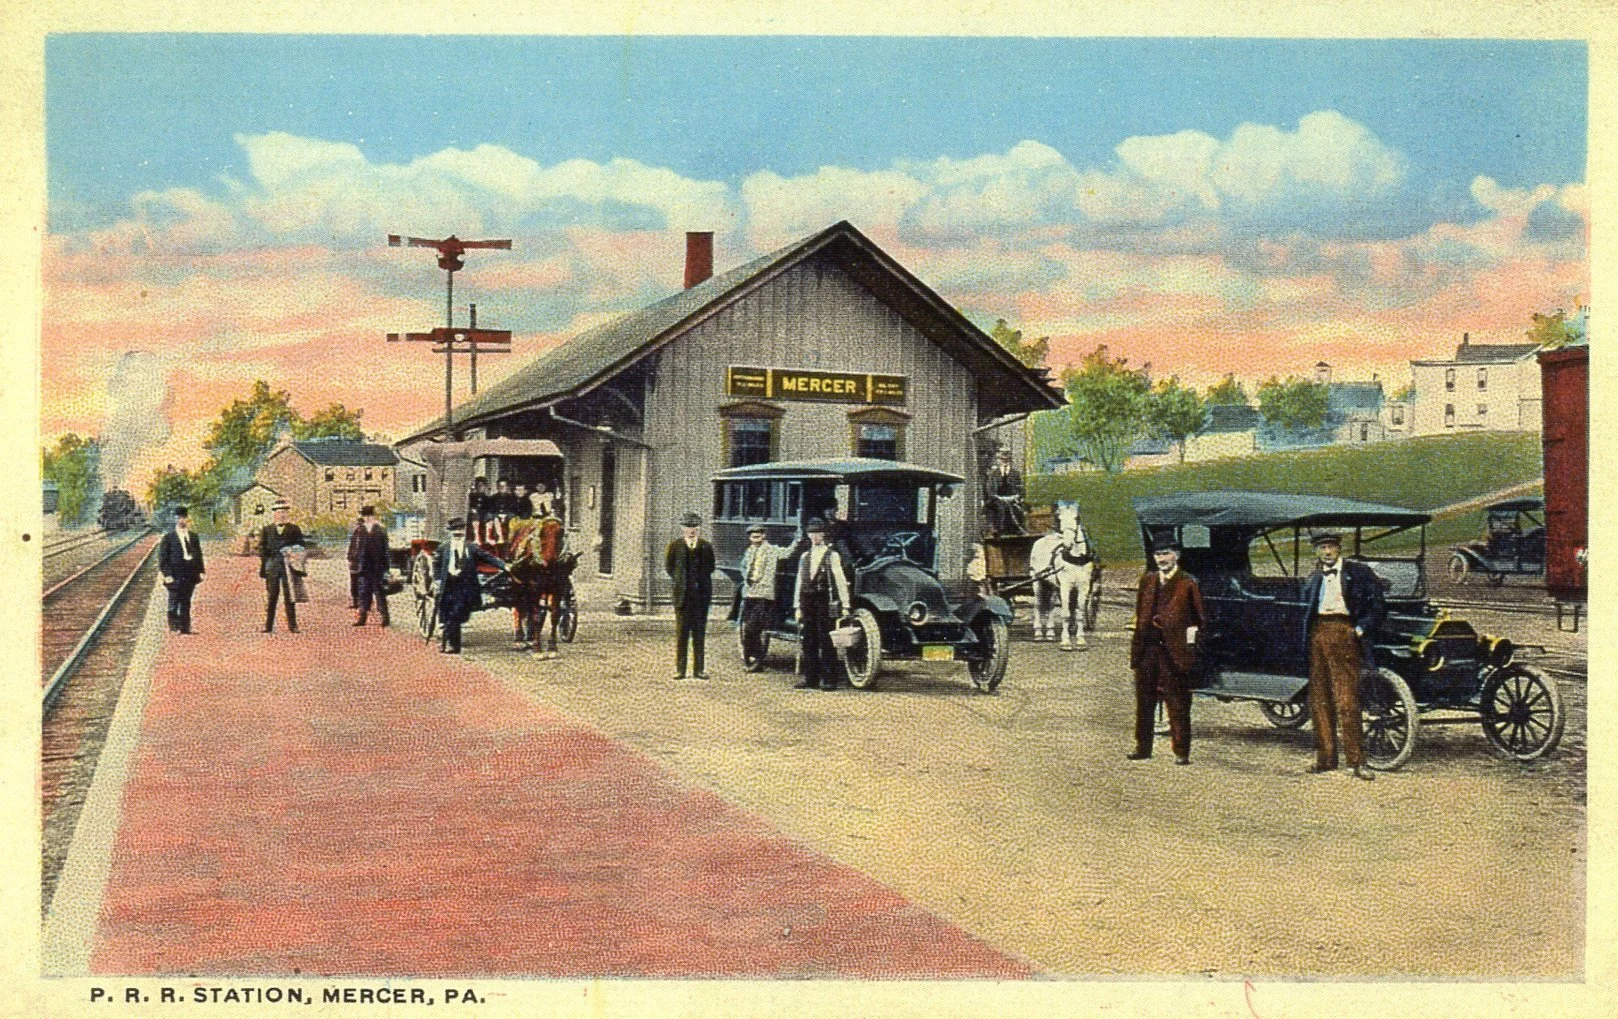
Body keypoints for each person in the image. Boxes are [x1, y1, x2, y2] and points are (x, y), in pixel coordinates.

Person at [1301, 532, 1386, 782]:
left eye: (1331, 547)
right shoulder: (1314, 577)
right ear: (1317, 551)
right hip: (1318, 634)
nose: (1327, 552)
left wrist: (1360, 629)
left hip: (1345, 632)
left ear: (1339, 549)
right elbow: (1304, 608)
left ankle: (1357, 762)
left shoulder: (1359, 573)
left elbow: (1378, 606)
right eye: (1322, 548)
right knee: (1319, 699)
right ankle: (1325, 759)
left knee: (1347, 700)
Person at [1128, 539, 1204, 764]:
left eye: (1166, 554)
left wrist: (1187, 648)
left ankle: (1181, 751)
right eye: (1157, 555)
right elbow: (1140, 611)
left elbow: (1199, 620)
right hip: (1147, 648)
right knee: (1144, 701)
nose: (1161, 559)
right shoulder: (1148, 580)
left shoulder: (1188, 583)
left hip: (1174, 652)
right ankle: (1143, 748)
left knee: (1177, 702)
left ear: (1177, 556)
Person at [433, 516, 508, 654]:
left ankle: (453, 645)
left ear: (464, 532)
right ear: (450, 532)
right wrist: (437, 581)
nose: (458, 533)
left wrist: (504, 566)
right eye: (455, 530)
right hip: (448, 584)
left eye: (460, 530)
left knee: (456, 612)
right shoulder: (444, 547)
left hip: (465, 585)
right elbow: (436, 565)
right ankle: (449, 642)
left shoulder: (471, 547)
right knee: (447, 613)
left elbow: (488, 557)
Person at [794, 517, 852, 691]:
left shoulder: (832, 555)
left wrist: (846, 604)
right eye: (811, 532)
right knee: (808, 639)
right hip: (807, 600)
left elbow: (840, 580)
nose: (814, 536)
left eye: (818, 533)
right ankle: (810, 678)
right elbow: (799, 581)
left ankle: (829, 679)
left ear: (824, 534)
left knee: (825, 639)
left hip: (823, 600)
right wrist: (797, 606)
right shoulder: (805, 556)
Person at [664, 512, 716, 680]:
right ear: (682, 529)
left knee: (699, 634)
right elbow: (670, 568)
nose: (691, 531)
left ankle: (699, 670)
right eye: (688, 528)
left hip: (700, 598)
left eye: (694, 528)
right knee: (682, 635)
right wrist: (681, 583)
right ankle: (680, 670)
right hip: (682, 598)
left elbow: (710, 568)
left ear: (699, 528)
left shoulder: (706, 546)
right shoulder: (675, 546)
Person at [737, 523, 786, 672]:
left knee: (754, 627)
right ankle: (752, 658)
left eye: (758, 536)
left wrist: (797, 540)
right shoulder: (749, 551)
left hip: (763, 595)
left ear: (764, 536)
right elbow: (743, 566)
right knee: (747, 628)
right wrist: (747, 578)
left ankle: (757, 660)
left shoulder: (772, 550)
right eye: (752, 537)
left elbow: (787, 553)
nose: (755, 539)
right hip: (750, 592)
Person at [258, 501, 306, 633]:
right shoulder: (267, 530)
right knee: (271, 596)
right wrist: (264, 565)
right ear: (274, 514)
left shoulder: (294, 529)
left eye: (284, 512)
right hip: (272, 566)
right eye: (279, 512)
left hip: (288, 567)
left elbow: (301, 546)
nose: (282, 515)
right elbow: (261, 548)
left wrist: (292, 550)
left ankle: (293, 625)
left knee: (290, 596)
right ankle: (268, 626)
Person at [157, 505, 205, 634]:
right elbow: (163, 559)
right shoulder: (168, 538)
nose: (181, 520)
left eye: (184, 517)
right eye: (179, 518)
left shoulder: (193, 537)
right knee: (173, 602)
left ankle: (185, 628)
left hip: (190, 572)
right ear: (175, 519)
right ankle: (174, 627)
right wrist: (167, 574)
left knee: (186, 601)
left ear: (187, 519)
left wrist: (201, 571)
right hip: (175, 573)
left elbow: (198, 554)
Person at [352, 505, 391, 627]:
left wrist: (386, 567)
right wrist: (355, 561)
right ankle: (362, 617)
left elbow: (385, 549)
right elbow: (355, 548)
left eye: (369, 516)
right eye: (365, 516)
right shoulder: (360, 530)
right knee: (364, 592)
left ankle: (385, 617)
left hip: (377, 565)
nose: (367, 518)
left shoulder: (380, 530)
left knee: (379, 592)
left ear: (373, 516)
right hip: (364, 566)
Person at [982, 445, 1027, 536]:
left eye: (1007, 459)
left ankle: (1017, 529)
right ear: (999, 460)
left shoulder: (1016, 473)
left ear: (1010, 459)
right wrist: (999, 498)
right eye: (1002, 459)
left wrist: (1014, 497)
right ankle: (997, 530)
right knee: (997, 507)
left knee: (1017, 508)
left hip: (1012, 499)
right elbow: (989, 489)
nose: (1005, 461)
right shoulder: (993, 474)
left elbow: (1021, 489)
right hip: (997, 499)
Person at [345, 511, 366, 610]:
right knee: (359, 582)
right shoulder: (360, 531)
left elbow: (356, 547)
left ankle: (358, 602)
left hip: (357, 561)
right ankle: (360, 602)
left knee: (356, 581)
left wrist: (352, 557)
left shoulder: (359, 531)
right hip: (358, 560)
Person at [467, 478, 490, 545]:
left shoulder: (487, 498)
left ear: (485, 487)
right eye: (478, 485)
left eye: (482, 485)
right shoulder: (471, 496)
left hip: (483, 516)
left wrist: (480, 511)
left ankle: (484, 538)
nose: (480, 487)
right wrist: (471, 510)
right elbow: (468, 506)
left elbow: (488, 509)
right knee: (474, 516)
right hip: (473, 516)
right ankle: (475, 538)